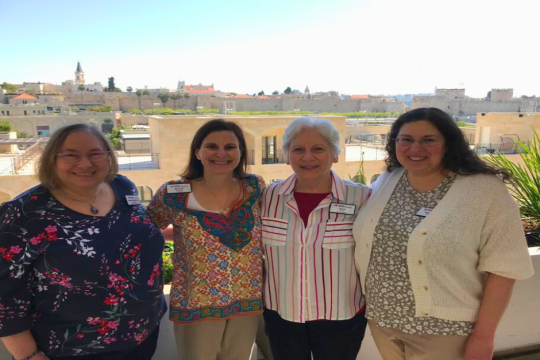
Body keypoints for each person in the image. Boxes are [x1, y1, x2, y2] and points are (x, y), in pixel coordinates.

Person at [353, 107, 535, 360]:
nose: (415, 148)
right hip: (383, 322)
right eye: (405, 139)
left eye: (428, 140)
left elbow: (504, 269)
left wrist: (484, 337)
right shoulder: (388, 180)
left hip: (446, 330)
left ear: (448, 144)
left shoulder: (485, 191)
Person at [0, 124, 166, 360]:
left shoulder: (122, 187)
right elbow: (4, 293)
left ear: (108, 156)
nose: (85, 163)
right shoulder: (24, 214)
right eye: (71, 155)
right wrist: (28, 355)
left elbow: (131, 233)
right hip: (74, 349)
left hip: (143, 334)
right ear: (52, 159)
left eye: (95, 153)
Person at [147, 119, 266, 360]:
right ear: (197, 152)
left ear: (240, 152)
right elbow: (146, 233)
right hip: (196, 305)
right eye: (212, 146)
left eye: (230, 147)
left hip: (247, 303)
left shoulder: (255, 188)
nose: (221, 153)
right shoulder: (172, 194)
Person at [260, 117, 370, 360]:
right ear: (287, 155)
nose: (307, 157)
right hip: (283, 315)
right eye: (298, 149)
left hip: (341, 316)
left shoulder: (361, 197)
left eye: (318, 149)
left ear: (335, 154)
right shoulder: (268, 197)